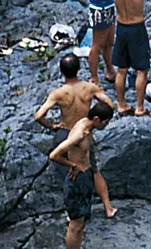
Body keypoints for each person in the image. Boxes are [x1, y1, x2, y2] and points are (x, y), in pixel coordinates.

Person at [35, 55, 117, 219]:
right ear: (79, 69)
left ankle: (71, 213)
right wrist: (94, 115)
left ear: (61, 71)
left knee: (69, 175)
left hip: (65, 133)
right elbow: (110, 104)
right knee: (94, 171)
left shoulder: (59, 93)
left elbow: (38, 116)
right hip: (83, 133)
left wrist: (51, 126)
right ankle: (108, 208)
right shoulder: (89, 88)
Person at [48, 99, 116, 249]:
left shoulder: (86, 123)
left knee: (82, 222)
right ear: (97, 119)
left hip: (85, 177)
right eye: (105, 122)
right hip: (77, 180)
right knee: (76, 225)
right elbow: (54, 155)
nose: (106, 125)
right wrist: (74, 166)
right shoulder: (80, 134)